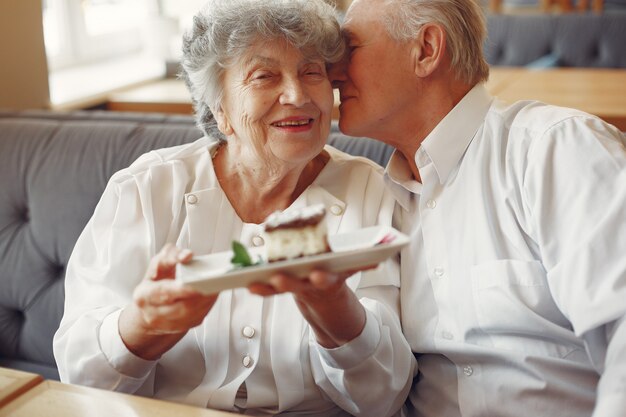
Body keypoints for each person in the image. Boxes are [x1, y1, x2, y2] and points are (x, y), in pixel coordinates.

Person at [53, 0, 416, 415]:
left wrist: (334, 307)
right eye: (264, 76)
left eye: (311, 72)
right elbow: (80, 378)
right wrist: (145, 325)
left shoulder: (374, 192)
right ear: (219, 110)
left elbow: (385, 397)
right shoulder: (147, 189)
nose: (297, 95)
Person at [329, 0, 626, 416]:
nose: (332, 71)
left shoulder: (553, 150)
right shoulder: (374, 201)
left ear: (427, 50)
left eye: (351, 48)